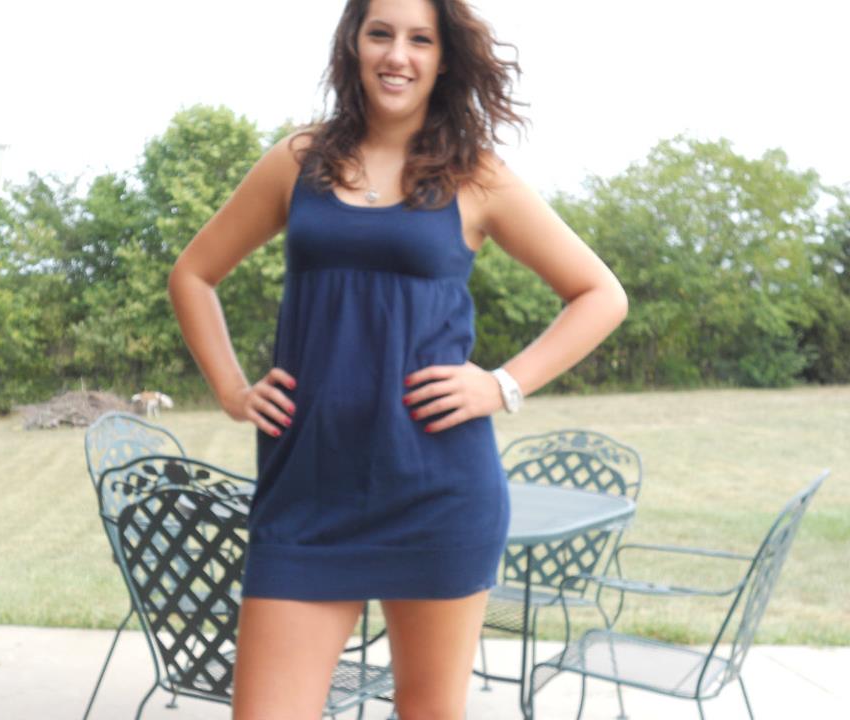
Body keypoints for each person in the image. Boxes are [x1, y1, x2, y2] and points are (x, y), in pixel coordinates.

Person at [167, 0, 628, 717]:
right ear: (353, 43)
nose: (397, 55)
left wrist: (502, 385)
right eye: (380, 33)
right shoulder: (298, 160)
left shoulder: (476, 176)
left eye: (420, 40)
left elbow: (601, 294)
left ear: (443, 59)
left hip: (438, 492)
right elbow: (192, 275)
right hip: (306, 492)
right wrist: (231, 390)